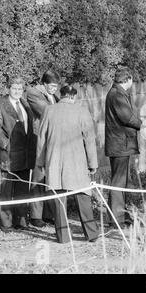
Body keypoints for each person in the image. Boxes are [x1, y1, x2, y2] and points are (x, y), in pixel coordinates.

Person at [36, 85, 99, 243]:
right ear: (73, 97)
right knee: (83, 197)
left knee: (58, 200)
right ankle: (91, 234)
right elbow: (89, 140)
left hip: (54, 161)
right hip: (77, 162)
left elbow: (41, 139)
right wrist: (92, 163)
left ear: (61, 95)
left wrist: (40, 162)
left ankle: (63, 237)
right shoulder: (81, 111)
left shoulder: (49, 110)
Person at [0, 77, 36, 232]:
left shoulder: (25, 104)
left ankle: (21, 221)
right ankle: (6, 224)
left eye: (20, 89)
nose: (17, 91)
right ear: (8, 89)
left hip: (25, 155)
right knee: (7, 190)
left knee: (23, 189)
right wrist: (6, 144)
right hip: (9, 157)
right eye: (14, 88)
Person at [105, 67, 142, 228]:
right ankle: (117, 218)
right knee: (118, 182)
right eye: (131, 80)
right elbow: (127, 117)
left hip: (120, 143)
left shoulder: (117, 92)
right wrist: (142, 123)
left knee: (121, 181)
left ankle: (119, 215)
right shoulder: (117, 94)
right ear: (127, 80)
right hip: (120, 144)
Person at [25, 69, 60, 228]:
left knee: (51, 177)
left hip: (53, 140)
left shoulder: (53, 96)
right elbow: (48, 112)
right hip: (40, 140)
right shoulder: (33, 93)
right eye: (51, 86)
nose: (54, 89)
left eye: (56, 86)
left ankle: (49, 214)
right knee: (38, 178)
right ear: (44, 84)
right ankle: (35, 216)